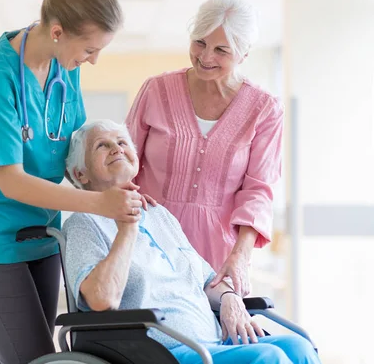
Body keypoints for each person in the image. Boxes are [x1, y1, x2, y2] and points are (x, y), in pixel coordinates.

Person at [0, 0, 155, 363]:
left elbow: (74, 151)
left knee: (43, 356)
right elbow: (10, 181)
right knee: (32, 358)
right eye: (90, 49)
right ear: (58, 31)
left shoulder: (66, 66)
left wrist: (115, 182)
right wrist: (100, 204)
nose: (93, 60)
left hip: (44, 235)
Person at [63, 120, 319, 364]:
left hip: (213, 343)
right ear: (80, 174)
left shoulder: (158, 215)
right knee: (267, 359)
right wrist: (127, 226)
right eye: (102, 145)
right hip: (161, 352)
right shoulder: (84, 223)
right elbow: (100, 299)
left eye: (121, 141)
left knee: (299, 347)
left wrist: (230, 298)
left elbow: (206, 280)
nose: (116, 148)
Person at [125, 0, 284, 297]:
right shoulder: (156, 90)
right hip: (147, 241)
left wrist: (241, 255)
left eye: (221, 50)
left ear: (243, 54)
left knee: (215, 335)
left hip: (216, 255)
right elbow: (124, 164)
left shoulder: (264, 109)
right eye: (200, 42)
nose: (205, 56)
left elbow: (258, 190)